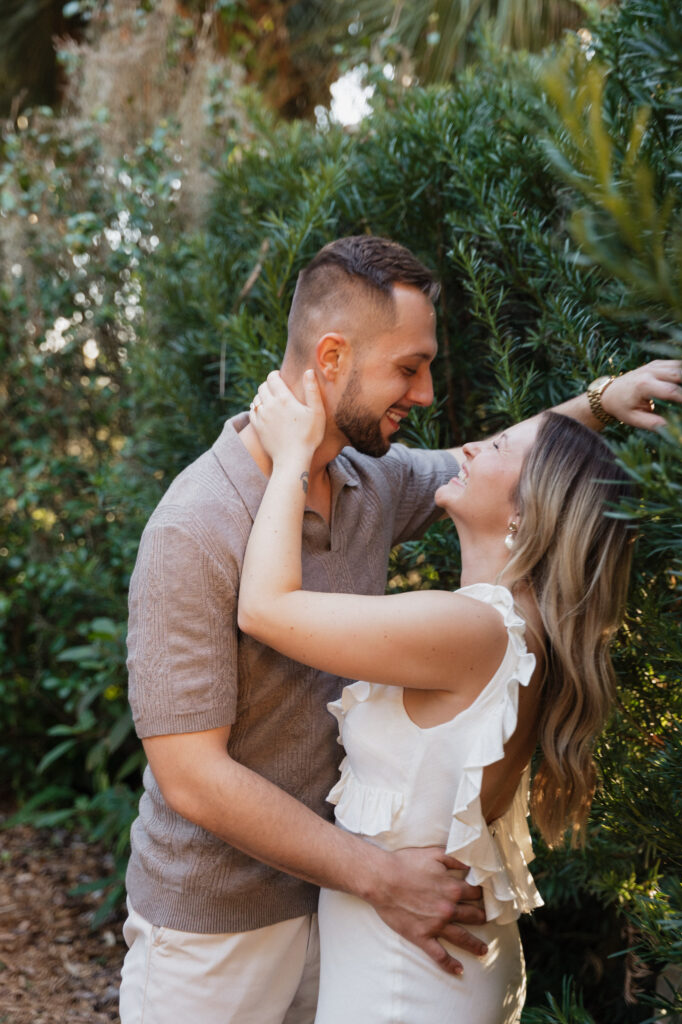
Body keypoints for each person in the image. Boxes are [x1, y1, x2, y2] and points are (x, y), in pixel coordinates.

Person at [119, 234, 682, 1024]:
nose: (422, 394)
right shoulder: (196, 524)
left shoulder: (370, 480)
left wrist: (597, 400)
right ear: (332, 356)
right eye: (408, 368)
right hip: (220, 928)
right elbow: (190, 777)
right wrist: (375, 876)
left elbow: (499, 471)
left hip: (351, 910)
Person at [237, 372, 636, 1022]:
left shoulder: (470, 628)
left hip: (406, 985)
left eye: (497, 448)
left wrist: (287, 458)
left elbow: (263, 609)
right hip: (435, 966)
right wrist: (599, 400)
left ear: (524, 513)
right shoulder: (518, 629)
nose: (470, 448)